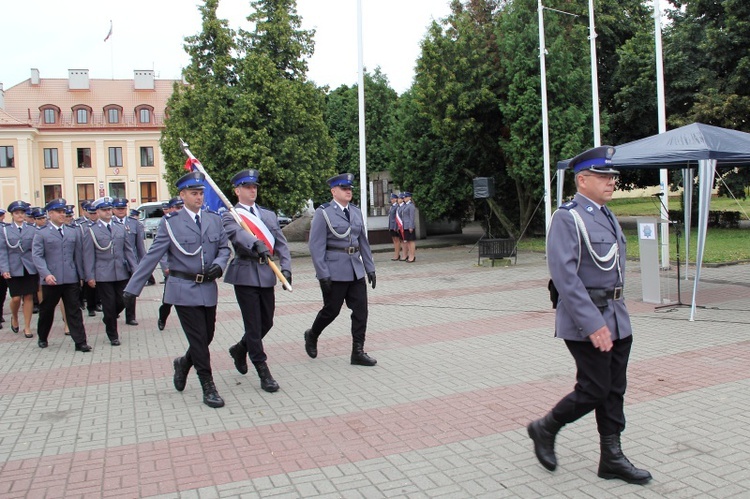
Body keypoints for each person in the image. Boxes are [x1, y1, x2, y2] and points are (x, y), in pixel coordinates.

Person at [527, 146, 651, 484]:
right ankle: (545, 427)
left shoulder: (606, 213)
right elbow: (565, 278)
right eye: (604, 177)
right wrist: (593, 323)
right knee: (594, 388)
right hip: (586, 321)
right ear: (582, 180)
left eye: (612, 177)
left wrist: (612, 319)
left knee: (614, 390)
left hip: (616, 316)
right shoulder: (567, 217)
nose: (611, 182)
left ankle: (611, 458)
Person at [124, 172, 230, 408]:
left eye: (201, 193)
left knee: (207, 336)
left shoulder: (213, 219)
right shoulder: (171, 224)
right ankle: (208, 385)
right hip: (183, 288)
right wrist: (133, 288)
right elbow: (153, 255)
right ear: (182, 196)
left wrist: (219, 266)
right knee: (199, 340)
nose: (199, 197)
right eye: (194, 193)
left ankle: (183, 363)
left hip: (207, 287)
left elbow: (224, 248)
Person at [223, 169, 292, 393]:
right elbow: (237, 235)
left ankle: (239, 348)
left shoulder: (268, 215)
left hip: (266, 274)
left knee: (267, 322)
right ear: (237, 190)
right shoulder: (231, 214)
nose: (252, 190)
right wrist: (255, 244)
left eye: (254, 187)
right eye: (247, 187)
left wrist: (287, 269)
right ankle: (262, 369)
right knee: (253, 325)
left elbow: (281, 243)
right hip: (245, 273)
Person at [304, 173, 377, 366]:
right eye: (344, 189)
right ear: (333, 191)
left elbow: (363, 242)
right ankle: (312, 334)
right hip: (334, 270)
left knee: (361, 311)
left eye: (350, 189)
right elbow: (316, 246)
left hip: (355, 269)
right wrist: (322, 274)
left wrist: (370, 268)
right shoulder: (324, 213)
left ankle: (358, 351)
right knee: (331, 311)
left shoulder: (355, 211)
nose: (348, 192)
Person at [32, 198, 91, 352]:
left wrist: (81, 275)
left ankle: (80, 341)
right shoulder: (42, 233)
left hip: (70, 277)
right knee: (47, 309)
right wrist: (45, 274)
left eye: (63, 211)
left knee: (74, 309)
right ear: (50, 214)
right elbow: (37, 256)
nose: (62, 214)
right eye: (58, 212)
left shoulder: (73, 231)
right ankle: (43, 336)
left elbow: (78, 255)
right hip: (52, 278)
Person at [83, 197, 137, 346]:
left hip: (121, 271)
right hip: (103, 273)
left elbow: (128, 251)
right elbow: (88, 255)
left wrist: (135, 270)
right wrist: (90, 276)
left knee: (124, 300)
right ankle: (113, 334)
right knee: (108, 304)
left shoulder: (120, 228)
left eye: (109, 209)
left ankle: (109, 318)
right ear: (98, 212)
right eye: (103, 210)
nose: (107, 212)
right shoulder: (91, 231)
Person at [0, 201, 37, 338]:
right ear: (12, 215)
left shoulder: (32, 229)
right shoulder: (5, 230)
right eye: (17, 213)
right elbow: (2, 251)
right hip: (13, 267)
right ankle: (14, 317)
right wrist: (4, 268)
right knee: (15, 298)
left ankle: (27, 327)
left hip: (29, 267)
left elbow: (36, 249)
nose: (20, 215)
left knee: (28, 296)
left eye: (22, 213)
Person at [112, 197, 146, 323]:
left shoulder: (134, 223)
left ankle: (131, 317)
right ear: (113, 210)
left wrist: (143, 264)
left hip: (132, 262)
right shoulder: (110, 223)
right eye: (118, 208)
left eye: (123, 208)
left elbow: (140, 246)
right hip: (117, 262)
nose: (121, 211)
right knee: (118, 294)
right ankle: (113, 312)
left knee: (131, 289)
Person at [156, 197, 184, 330]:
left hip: (187, 270)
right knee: (168, 300)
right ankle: (162, 318)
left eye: (182, 207)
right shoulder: (166, 223)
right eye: (177, 207)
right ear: (171, 208)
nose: (180, 210)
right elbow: (160, 249)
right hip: (172, 269)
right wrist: (165, 267)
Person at [401, 192, 416, 263]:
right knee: (408, 242)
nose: (404, 198)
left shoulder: (411, 206)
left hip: (409, 226)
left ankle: (412, 256)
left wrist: (411, 226)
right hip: (405, 226)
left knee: (411, 241)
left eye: (406, 197)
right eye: (404, 197)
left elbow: (411, 217)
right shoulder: (405, 205)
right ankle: (410, 255)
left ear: (409, 197)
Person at [388, 193, 403, 261]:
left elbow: (397, 217)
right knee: (394, 240)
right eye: (391, 199)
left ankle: (397, 255)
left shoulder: (397, 206)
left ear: (396, 199)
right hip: (391, 225)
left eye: (393, 199)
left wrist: (396, 227)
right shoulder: (392, 207)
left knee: (397, 241)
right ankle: (396, 254)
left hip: (395, 226)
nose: (391, 200)